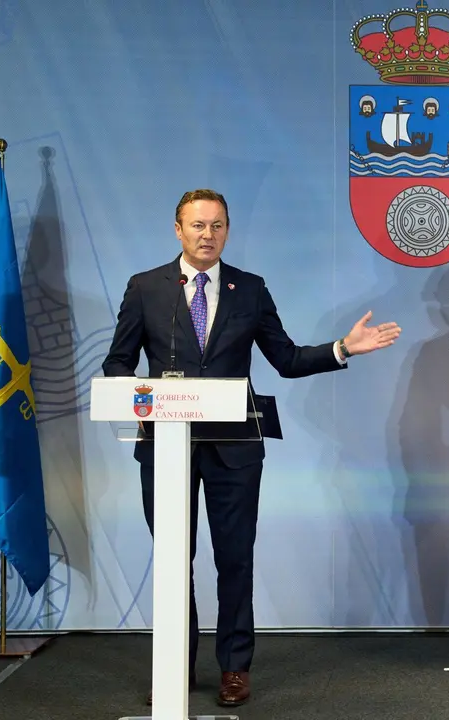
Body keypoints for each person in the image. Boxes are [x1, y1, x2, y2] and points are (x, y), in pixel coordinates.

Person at [101, 189, 401, 707]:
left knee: (234, 560)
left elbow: (284, 358)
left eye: (217, 225)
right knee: (175, 560)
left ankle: (235, 668)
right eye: (197, 225)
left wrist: (342, 348)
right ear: (177, 229)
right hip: (165, 448)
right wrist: (137, 397)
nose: (207, 235)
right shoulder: (146, 287)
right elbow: (118, 362)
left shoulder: (251, 289)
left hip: (234, 450)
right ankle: (176, 662)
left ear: (227, 230)